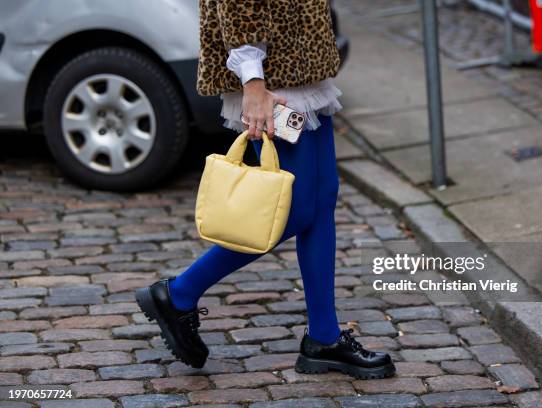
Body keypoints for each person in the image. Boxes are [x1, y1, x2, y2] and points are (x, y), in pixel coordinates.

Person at [134, 0, 395, 379]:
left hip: (299, 62)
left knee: (321, 203)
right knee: (296, 210)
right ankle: (178, 294)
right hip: (272, 78)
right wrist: (253, 82)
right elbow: (238, 9)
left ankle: (324, 338)